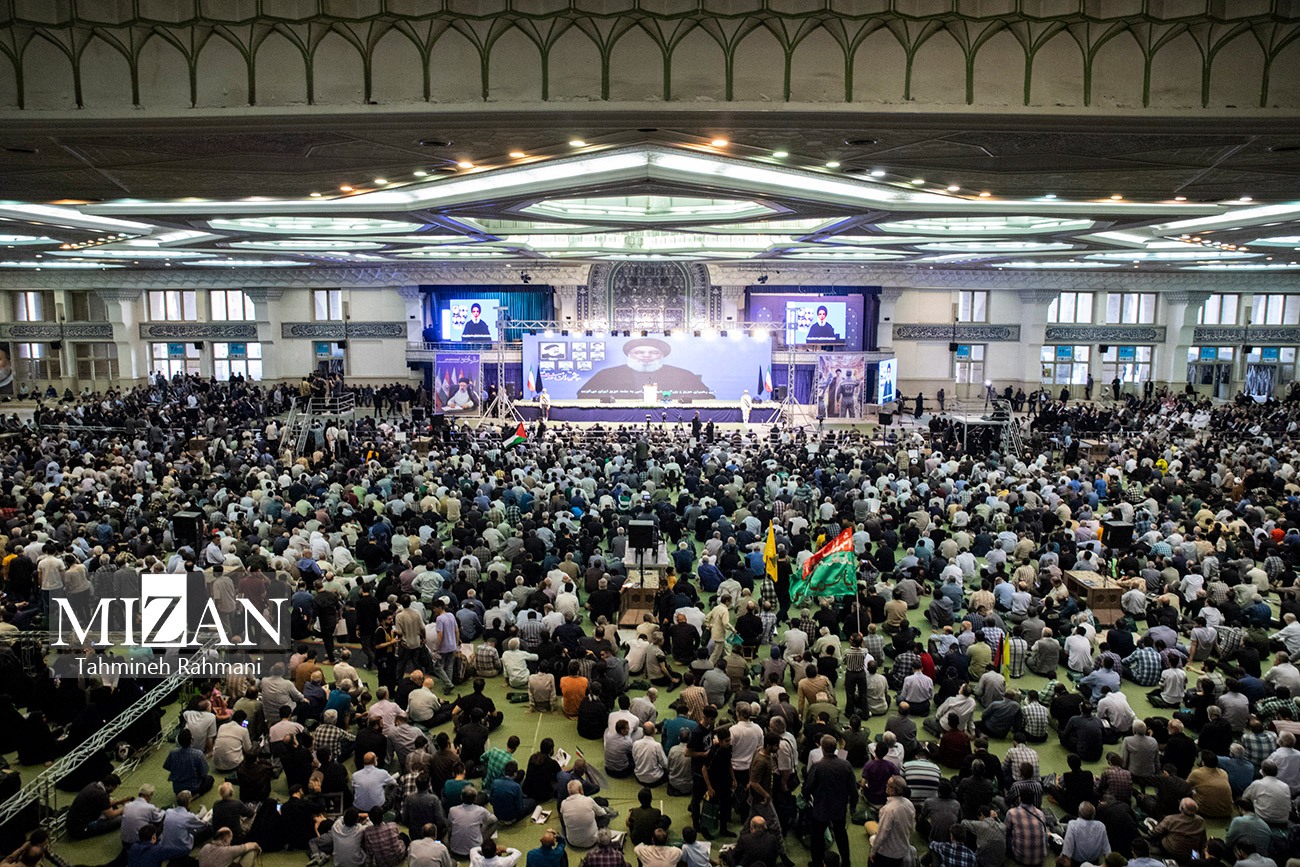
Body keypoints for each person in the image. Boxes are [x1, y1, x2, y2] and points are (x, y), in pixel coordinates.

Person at [576, 338, 714, 401]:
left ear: (662, 355)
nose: (646, 356)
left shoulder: (683, 375)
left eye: (653, 352)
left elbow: (708, 396)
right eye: (639, 352)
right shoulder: (606, 374)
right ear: (629, 355)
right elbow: (582, 394)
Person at [66, 774, 127, 840]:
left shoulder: (93, 785)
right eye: (114, 788)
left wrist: (119, 802)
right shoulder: (101, 795)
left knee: (113, 808)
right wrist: (124, 809)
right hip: (80, 830)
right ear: (109, 786)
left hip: (72, 825)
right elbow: (110, 815)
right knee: (121, 819)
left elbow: (105, 803)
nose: (113, 790)